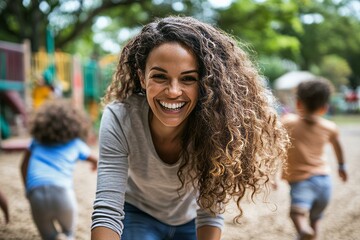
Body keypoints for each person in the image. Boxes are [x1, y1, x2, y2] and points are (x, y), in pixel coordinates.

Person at [91, 16, 290, 240]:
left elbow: (210, 211)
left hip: (191, 218)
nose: (174, 91)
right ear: (142, 78)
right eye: (159, 76)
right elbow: (107, 209)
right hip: (138, 213)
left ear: (206, 83)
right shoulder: (120, 117)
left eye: (188, 79)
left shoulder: (218, 126)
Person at [279, 78, 348, 240]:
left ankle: (303, 230)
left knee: (297, 213)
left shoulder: (288, 122)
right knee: (316, 218)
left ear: (298, 104)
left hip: (302, 182)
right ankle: (312, 234)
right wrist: (341, 166)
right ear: (325, 108)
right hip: (324, 181)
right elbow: (338, 147)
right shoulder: (330, 127)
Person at [20, 99, 98, 240]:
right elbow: (96, 160)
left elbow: (23, 166)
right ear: (75, 125)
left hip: (35, 192)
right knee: (69, 234)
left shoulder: (36, 141)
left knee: (49, 237)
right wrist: (94, 165)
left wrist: (28, 190)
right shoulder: (76, 144)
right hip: (62, 192)